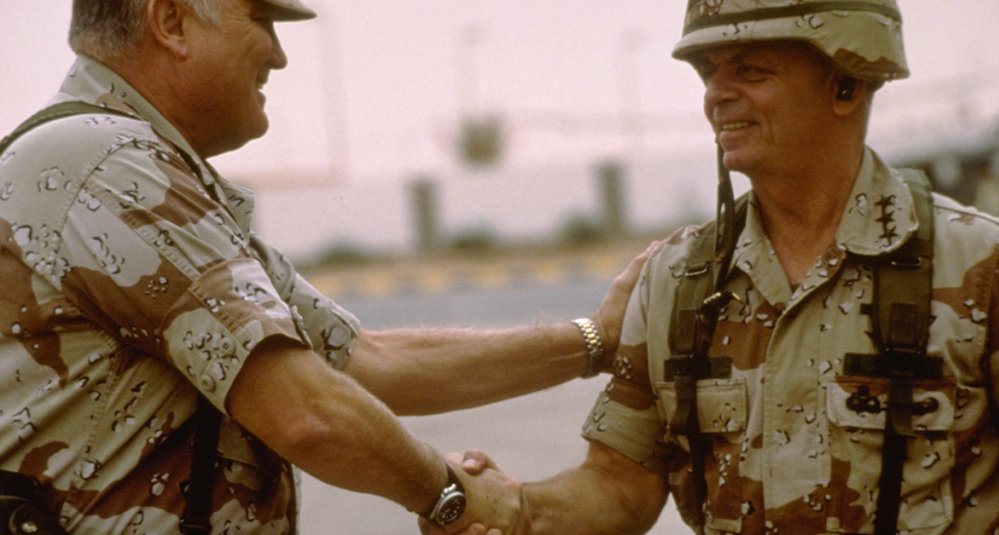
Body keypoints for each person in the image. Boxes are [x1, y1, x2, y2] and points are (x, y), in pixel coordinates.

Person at [0, 0, 653, 533]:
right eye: (261, 18)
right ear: (170, 22)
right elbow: (307, 411)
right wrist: (452, 496)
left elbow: (366, 362)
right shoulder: (109, 167)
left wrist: (594, 338)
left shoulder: (136, 166)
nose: (279, 55)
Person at [428, 1, 999, 534]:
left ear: (845, 83)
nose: (718, 93)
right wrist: (514, 510)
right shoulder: (678, 279)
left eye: (751, 70)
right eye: (711, 72)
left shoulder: (981, 264)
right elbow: (620, 484)